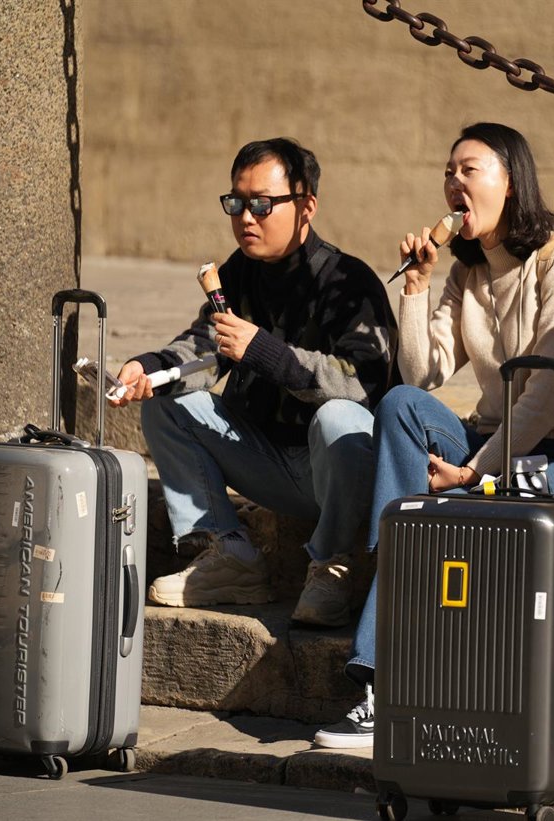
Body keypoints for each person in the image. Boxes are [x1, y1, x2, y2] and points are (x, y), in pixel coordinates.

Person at [314, 122, 554, 748]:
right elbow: (420, 374)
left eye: (470, 170)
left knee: (445, 510)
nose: (454, 182)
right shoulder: (469, 272)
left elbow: (546, 398)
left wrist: (475, 474)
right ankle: (396, 549)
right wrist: (416, 286)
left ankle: (382, 686)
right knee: (400, 406)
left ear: (511, 184)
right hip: (494, 441)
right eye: (449, 172)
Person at [110, 137, 397, 627]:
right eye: (236, 203)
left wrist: (263, 350)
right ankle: (232, 554)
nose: (246, 217)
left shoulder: (349, 283)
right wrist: (149, 366)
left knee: (340, 417)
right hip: (264, 459)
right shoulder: (239, 272)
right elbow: (205, 346)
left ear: (306, 206)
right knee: (166, 400)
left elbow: (364, 384)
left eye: (262, 204)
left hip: (338, 472)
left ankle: (332, 566)